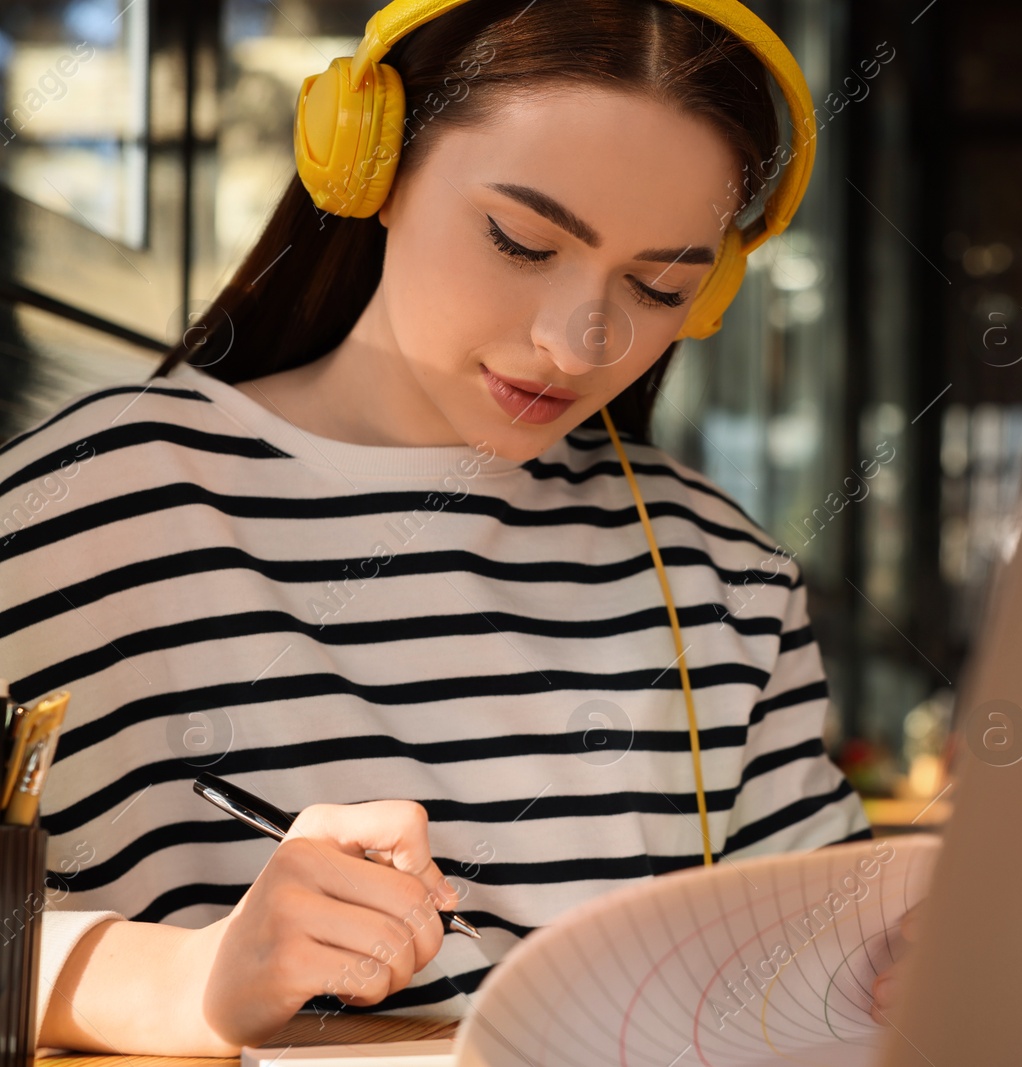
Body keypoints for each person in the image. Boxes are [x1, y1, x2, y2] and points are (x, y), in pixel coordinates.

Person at [0, 0, 875, 1055]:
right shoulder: (84, 504)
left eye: (659, 286)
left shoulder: (722, 575)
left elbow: (829, 975)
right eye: (522, 240)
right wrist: (174, 977)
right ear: (368, 164)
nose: (577, 339)